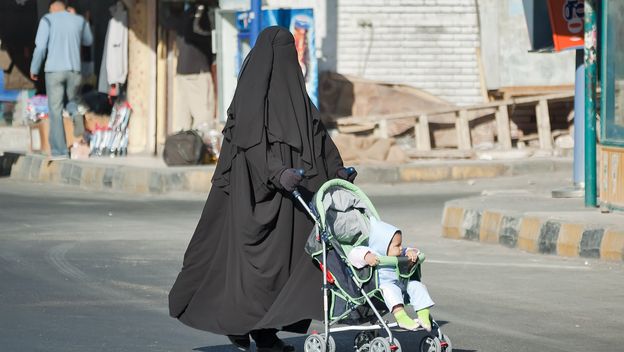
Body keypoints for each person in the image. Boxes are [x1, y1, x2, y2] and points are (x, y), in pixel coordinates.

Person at [168, 26, 357, 352]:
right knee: (254, 272)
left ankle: (265, 332)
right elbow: (250, 143)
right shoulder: (252, 97)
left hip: (292, 197)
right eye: (282, 52)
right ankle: (247, 328)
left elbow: (318, 136)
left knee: (288, 268)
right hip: (253, 196)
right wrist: (277, 171)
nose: (287, 59)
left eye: (291, 52)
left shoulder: (296, 94)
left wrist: (337, 168)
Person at [30, 0, 93, 160]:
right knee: (72, 100)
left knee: (55, 110)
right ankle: (76, 115)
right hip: (74, 70)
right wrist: (80, 20)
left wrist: (34, 68)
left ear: (52, 7)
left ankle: (60, 151)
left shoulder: (47, 20)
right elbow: (88, 41)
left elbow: (41, 47)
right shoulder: (78, 20)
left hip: (54, 71)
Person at [347, 218, 435, 332]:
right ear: (383, 245)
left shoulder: (399, 252)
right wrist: (367, 257)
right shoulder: (374, 253)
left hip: (403, 284)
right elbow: (354, 254)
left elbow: (412, 250)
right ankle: (401, 317)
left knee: (417, 286)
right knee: (390, 289)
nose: (400, 248)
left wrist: (411, 253)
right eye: (397, 245)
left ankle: (423, 314)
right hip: (381, 290)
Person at [160, 2, 215, 132]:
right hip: (197, 72)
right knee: (204, 118)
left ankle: (183, 149)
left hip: (183, 71)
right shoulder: (200, 11)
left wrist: (162, 6)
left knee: (182, 121)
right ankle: (202, 150)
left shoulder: (186, 13)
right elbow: (196, 33)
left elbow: (167, 22)